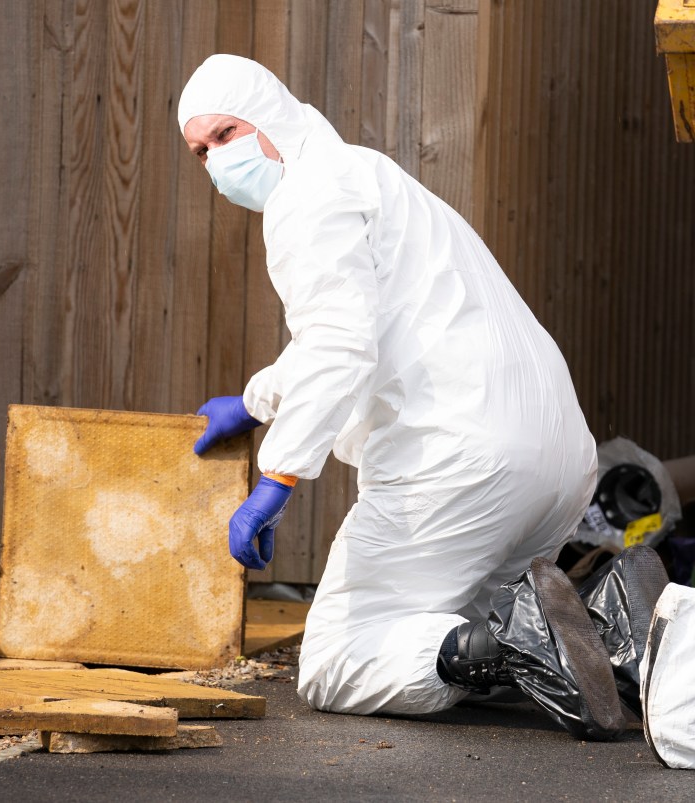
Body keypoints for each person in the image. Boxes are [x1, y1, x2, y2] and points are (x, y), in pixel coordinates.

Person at [180, 54, 669, 741]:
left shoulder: (304, 196)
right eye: (201, 152)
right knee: (448, 636)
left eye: (226, 134)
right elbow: (366, 324)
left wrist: (278, 475)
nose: (215, 162)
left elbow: (342, 344)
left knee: (335, 660)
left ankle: (526, 639)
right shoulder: (370, 175)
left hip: (458, 464)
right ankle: (600, 629)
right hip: (557, 467)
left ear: (273, 117)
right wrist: (260, 401)